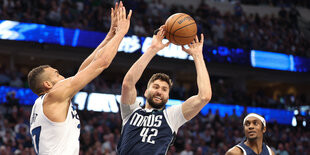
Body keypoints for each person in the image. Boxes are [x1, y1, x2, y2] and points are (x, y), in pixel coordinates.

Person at [28, 2, 132, 154]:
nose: (62, 75)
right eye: (56, 74)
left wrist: (110, 36)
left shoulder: (49, 102)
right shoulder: (54, 95)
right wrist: (121, 33)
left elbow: (82, 71)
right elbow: (101, 63)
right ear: (48, 84)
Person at [117, 26, 212, 154]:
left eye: (164, 89)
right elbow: (128, 83)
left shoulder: (171, 116)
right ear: (145, 92)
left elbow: (204, 96)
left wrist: (198, 56)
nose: (159, 91)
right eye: (155, 87)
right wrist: (152, 49)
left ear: (167, 97)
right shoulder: (130, 112)